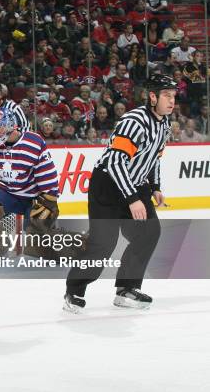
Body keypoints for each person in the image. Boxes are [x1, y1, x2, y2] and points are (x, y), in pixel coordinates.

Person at [64, 74, 175, 313]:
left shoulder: (165, 123)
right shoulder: (134, 121)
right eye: (166, 95)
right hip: (108, 185)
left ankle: (126, 289)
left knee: (149, 232)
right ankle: (74, 291)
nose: (171, 100)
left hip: (135, 184)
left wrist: (155, 187)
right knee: (103, 244)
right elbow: (115, 163)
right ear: (153, 96)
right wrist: (133, 199)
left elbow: (154, 157)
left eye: (173, 95)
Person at [0, 109, 59, 230]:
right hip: (3, 193)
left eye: (0, 126)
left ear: (11, 125)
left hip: (31, 196)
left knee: (37, 235)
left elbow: (47, 175)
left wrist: (49, 201)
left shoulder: (34, 143)